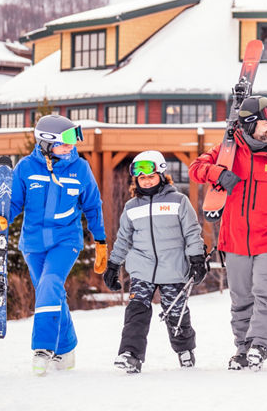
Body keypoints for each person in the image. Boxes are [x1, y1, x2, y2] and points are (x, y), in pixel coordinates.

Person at [189, 96, 267, 371]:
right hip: (233, 238)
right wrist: (218, 173)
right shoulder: (227, 151)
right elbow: (195, 168)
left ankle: (260, 344)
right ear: (250, 123)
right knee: (241, 297)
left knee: (263, 289)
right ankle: (243, 348)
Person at [0, 115, 106, 376]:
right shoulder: (26, 168)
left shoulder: (81, 169)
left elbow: (93, 207)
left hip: (66, 241)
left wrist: (100, 241)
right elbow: (14, 203)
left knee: (51, 282)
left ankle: (43, 348)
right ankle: (66, 351)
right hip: (33, 244)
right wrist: (2, 218)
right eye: (65, 141)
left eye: (73, 140)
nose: (71, 146)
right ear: (46, 142)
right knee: (51, 293)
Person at [103, 151, 208, 374]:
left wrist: (197, 259)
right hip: (142, 267)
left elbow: (191, 232)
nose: (146, 180)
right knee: (136, 310)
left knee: (175, 312)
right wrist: (113, 265)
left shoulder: (179, 200)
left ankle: (184, 349)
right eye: (141, 177)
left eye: (150, 176)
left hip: (173, 266)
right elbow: (123, 238)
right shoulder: (132, 207)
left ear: (161, 174)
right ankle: (130, 354)